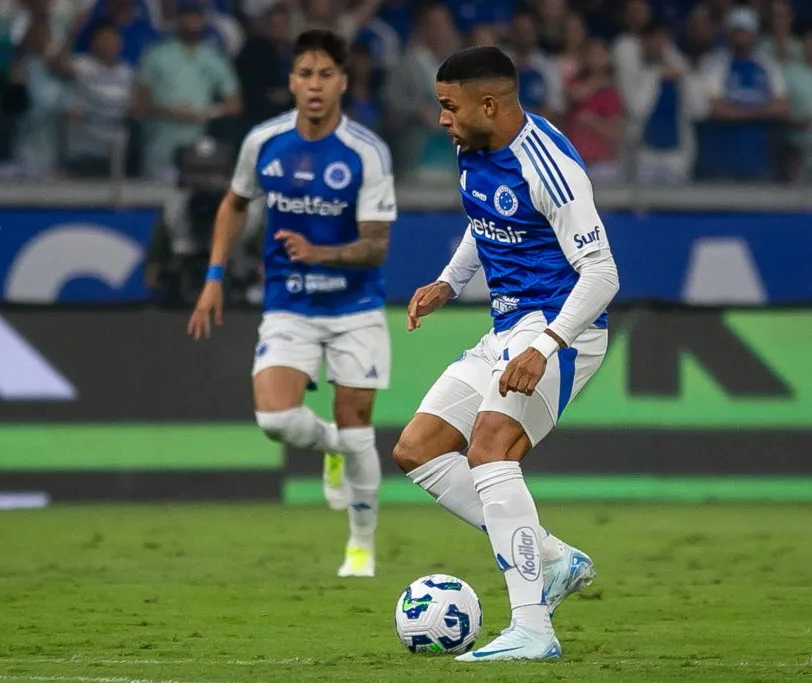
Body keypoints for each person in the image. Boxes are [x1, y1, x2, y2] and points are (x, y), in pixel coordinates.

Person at [393, 45, 619, 661]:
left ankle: (532, 629)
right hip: (506, 326)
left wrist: (546, 346)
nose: (442, 119)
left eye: (449, 106)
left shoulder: (550, 166)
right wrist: (449, 280)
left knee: (490, 447)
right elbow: (486, 219)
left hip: (560, 328)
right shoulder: (474, 148)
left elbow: (602, 274)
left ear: (488, 104)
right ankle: (550, 556)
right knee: (417, 449)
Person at [187, 29, 396, 579]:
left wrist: (321, 253)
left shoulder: (366, 152)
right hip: (289, 305)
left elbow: (377, 245)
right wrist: (214, 276)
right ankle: (330, 447)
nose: (315, 85)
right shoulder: (263, 142)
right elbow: (233, 205)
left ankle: (361, 546)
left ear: (343, 82)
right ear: (291, 83)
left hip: (355, 309)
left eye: (326, 74)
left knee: (359, 428)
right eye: (305, 74)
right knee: (275, 419)